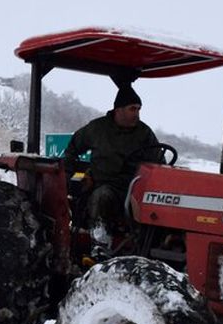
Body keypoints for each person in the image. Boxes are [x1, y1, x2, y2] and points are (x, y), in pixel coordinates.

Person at [63, 84, 162, 258]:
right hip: (105, 185)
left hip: (135, 188)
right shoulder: (97, 129)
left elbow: (159, 160)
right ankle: (100, 247)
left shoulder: (144, 133)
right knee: (102, 195)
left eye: (139, 109)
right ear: (119, 110)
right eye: (133, 109)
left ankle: (152, 249)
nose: (137, 114)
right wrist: (70, 175)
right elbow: (72, 150)